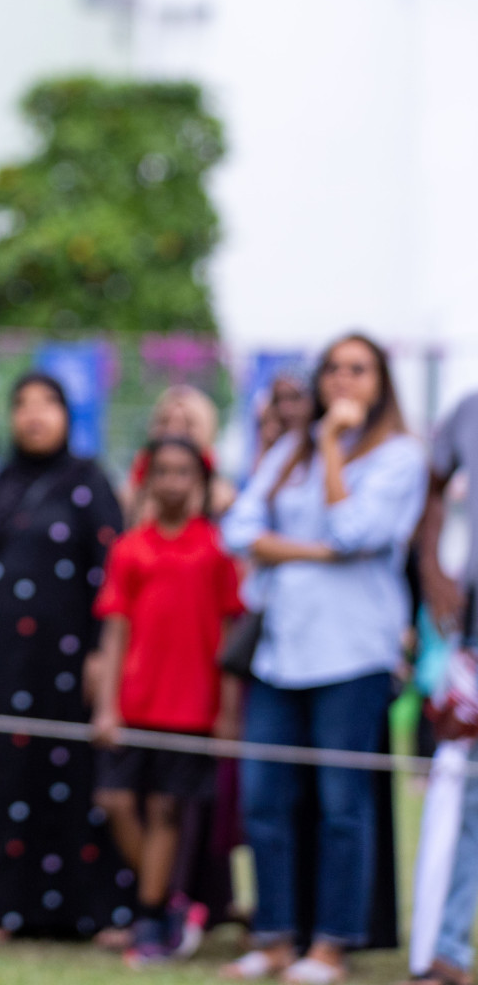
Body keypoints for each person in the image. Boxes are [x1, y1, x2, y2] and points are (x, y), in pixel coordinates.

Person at [219, 333, 425, 984]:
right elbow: (239, 531)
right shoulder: (288, 450)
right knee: (265, 799)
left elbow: (354, 531)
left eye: (357, 369)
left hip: (353, 653)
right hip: (282, 652)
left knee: (343, 805)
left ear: (381, 381)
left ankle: (331, 943)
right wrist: (309, 549)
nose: (342, 380)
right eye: (333, 369)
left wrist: (334, 445)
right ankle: (276, 938)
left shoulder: (399, 457)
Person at [0, 372, 132, 940]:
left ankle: (80, 913)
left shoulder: (89, 483)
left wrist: (100, 653)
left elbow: (113, 575)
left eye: (48, 404)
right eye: (23, 404)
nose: (34, 415)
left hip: (68, 665)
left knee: (67, 778)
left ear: (68, 416)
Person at [91, 436, 244, 967]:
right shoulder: (130, 548)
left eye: (184, 473)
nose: (173, 482)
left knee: (165, 811)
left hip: (192, 707)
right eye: (164, 472)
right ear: (149, 479)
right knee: (114, 801)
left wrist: (227, 711)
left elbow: (228, 634)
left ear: (200, 482)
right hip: (134, 702)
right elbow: (114, 632)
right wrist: (107, 705)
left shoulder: (220, 550)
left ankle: (152, 920)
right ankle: (174, 902)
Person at [406, 388, 478, 985]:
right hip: (475, 626)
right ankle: (448, 947)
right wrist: (432, 566)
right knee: (467, 790)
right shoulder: (468, 409)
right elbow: (431, 485)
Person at [122, 385, 235, 523]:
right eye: (164, 421)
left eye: (188, 423)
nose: (174, 430)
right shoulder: (132, 490)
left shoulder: (224, 501)